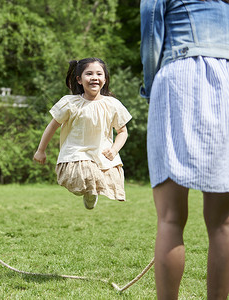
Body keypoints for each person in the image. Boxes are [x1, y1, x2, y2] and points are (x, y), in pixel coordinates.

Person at [140, 1, 229, 299]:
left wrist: (152, 87)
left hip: (181, 75)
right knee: (223, 222)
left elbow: (151, 29)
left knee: (170, 217)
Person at [33, 58, 132, 209]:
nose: (94, 77)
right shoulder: (70, 103)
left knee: (104, 179)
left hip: (102, 152)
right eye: (89, 74)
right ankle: (89, 191)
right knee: (86, 173)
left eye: (99, 74)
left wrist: (114, 149)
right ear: (79, 79)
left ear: (104, 79)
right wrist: (41, 150)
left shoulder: (112, 104)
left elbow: (123, 131)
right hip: (77, 152)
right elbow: (52, 127)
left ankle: (91, 194)